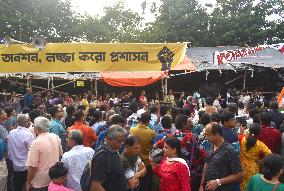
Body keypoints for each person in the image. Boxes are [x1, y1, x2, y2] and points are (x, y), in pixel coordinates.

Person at [199, 122, 242, 191]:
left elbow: (239, 174)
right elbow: (206, 164)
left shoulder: (230, 151)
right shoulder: (211, 145)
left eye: (208, 135)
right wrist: (201, 184)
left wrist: (218, 182)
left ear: (217, 134)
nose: (206, 137)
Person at [27, 117, 63, 191]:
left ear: (38, 129)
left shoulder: (36, 143)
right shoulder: (55, 137)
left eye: (34, 126)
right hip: (53, 178)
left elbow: (33, 167)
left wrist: (28, 182)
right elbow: (60, 155)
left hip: (40, 182)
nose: (33, 129)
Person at [90, 125, 127, 191]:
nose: (122, 143)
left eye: (123, 140)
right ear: (109, 139)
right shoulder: (102, 156)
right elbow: (95, 187)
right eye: (120, 141)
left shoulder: (113, 150)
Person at [239, 123, 272, 191]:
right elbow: (270, 154)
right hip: (253, 168)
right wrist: (262, 161)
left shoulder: (242, 139)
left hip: (241, 167)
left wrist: (241, 133)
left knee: (242, 186)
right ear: (259, 133)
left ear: (249, 131)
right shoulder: (260, 144)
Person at [129, 112, 156, 191]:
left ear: (140, 119)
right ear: (148, 121)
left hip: (134, 161)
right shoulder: (151, 133)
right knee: (146, 185)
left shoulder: (132, 130)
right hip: (146, 162)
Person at [8, 114, 34, 191]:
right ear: (25, 122)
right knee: (27, 186)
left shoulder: (11, 132)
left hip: (15, 166)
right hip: (25, 166)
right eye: (29, 120)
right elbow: (32, 151)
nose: (30, 122)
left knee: (17, 187)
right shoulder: (28, 135)